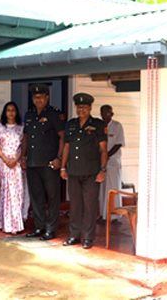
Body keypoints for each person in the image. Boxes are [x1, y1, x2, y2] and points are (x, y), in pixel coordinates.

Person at [61, 93, 107, 250]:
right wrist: (63, 167)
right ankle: (74, 235)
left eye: (84, 107)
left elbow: (103, 149)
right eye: (78, 107)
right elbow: (67, 147)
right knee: (74, 206)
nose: (81, 109)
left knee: (90, 206)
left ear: (90, 108)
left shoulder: (98, 125)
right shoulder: (71, 124)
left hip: (91, 173)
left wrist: (103, 170)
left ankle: (88, 237)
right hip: (73, 171)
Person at [22, 84, 66, 241]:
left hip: (49, 163)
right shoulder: (29, 114)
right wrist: (23, 157)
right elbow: (26, 138)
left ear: (47, 97)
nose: (38, 99)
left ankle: (51, 229)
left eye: (41, 96)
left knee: (52, 197)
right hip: (33, 163)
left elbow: (62, 137)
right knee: (37, 197)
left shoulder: (54, 114)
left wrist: (59, 158)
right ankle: (39, 227)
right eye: (35, 97)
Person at [0, 102, 25, 235]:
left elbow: (23, 146)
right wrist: (6, 160)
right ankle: (6, 224)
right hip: (4, 163)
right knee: (6, 193)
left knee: (16, 193)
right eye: (8, 110)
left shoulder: (21, 128)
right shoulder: (0, 127)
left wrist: (16, 159)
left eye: (13, 110)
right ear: (5, 112)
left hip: (16, 163)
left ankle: (16, 224)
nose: (11, 113)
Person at [98, 104, 125, 224]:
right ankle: (104, 215)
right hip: (102, 163)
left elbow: (118, 143)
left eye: (107, 113)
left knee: (113, 188)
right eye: (103, 113)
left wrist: (106, 155)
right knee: (102, 189)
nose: (105, 115)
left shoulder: (117, 126)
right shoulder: (99, 126)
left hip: (113, 161)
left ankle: (114, 216)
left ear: (112, 114)